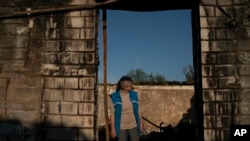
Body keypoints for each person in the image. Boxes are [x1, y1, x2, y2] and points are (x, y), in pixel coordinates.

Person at [109, 75, 144, 141]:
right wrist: (112, 129)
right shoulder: (114, 97)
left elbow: (139, 110)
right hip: (121, 127)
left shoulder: (134, 95)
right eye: (128, 86)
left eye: (130, 86)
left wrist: (141, 124)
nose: (130, 88)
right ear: (122, 86)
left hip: (134, 125)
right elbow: (112, 114)